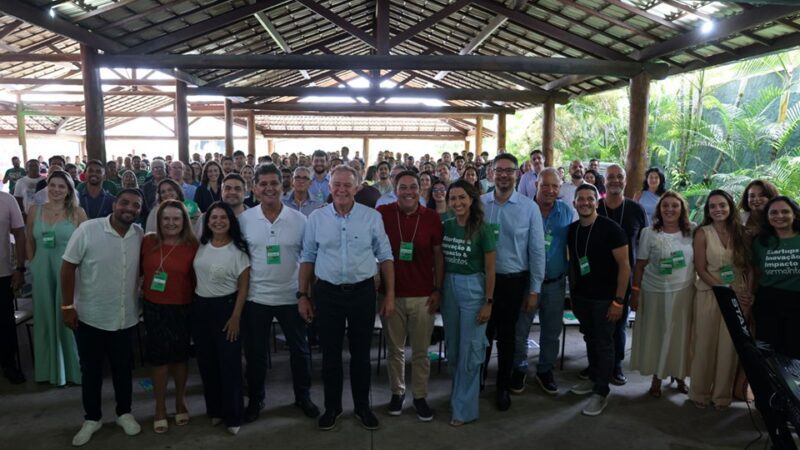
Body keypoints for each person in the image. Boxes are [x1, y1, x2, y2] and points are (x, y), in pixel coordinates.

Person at [298, 165, 394, 431]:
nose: (341, 189)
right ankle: (333, 407)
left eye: (347, 185)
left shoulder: (371, 217)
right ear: (329, 187)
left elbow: (385, 256)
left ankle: (362, 407)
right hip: (327, 294)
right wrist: (303, 295)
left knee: (361, 355)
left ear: (357, 187)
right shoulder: (317, 219)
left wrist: (390, 295)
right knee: (330, 355)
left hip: (362, 293)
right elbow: (307, 257)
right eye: (336, 184)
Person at [61, 189, 145, 446]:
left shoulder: (139, 234)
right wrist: (67, 306)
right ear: (114, 203)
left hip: (124, 316)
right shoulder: (88, 230)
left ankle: (124, 412)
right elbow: (68, 266)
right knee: (92, 371)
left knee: (122, 369)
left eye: (136, 205)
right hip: (90, 315)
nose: (129, 208)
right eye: (124, 203)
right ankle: (92, 418)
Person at [239, 164, 319, 423]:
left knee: (300, 350)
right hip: (256, 297)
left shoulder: (300, 220)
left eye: (274, 183)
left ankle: (302, 396)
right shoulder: (245, 220)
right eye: (263, 183)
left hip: (291, 295)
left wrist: (305, 294)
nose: (269, 188)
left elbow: (308, 259)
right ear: (255, 188)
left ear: (282, 186)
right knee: (255, 353)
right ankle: (256, 399)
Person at [377, 170, 443, 421]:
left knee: (420, 351)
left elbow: (438, 256)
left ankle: (420, 396)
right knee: (394, 350)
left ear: (421, 189)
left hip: (423, 295)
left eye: (413, 187)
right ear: (394, 190)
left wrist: (438, 289)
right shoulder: (382, 215)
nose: (408, 192)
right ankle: (397, 393)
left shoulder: (431, 218)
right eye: (403, 187)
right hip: (390, 296)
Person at [480, 154, 545, 411]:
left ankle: (502, 388)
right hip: (481, 282)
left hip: (512, 282)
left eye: (509, 171)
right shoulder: (480, 204)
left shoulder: (529, 208)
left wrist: (534, 289)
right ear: (491, 173)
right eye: (499, 170)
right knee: (481, 336)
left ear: (518, 173)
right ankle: (477, 382)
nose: (504, 175)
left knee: (507, 338)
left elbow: (537, 251)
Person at [567, 184, 630, 416]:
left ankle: (601, 392)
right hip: (583, 297)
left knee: (604, 343)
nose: (585, 202)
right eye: (580, 199)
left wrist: (619, 300)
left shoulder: (611, 229)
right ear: (574, 202)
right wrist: (573, 297)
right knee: (590, 339)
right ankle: (594, 378)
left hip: (606, 299)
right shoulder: (573, 230)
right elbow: (573, 265)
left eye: (590, 199)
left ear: (597, 201)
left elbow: (625, 266)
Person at [511, 168, 575, 396]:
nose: (550, 190)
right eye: (545, 185)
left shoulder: (566, 211)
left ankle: (544, 369)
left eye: (555, 186)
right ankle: (518, 367)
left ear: (560, 188)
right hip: (526, 283)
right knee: (521, 329)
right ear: (536, 185)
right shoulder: (522, 209)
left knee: (551, 330)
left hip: (555, 283)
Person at [441, 179, 496, 426]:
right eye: (453, 198)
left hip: (474, 289)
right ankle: (457, 395)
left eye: (462, 197)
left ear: (472, 199)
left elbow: (490, 267)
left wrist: (488, 301)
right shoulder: (446, 224)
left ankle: (464, 410)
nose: (457, 202)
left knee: (470, 351)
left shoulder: (483, 228)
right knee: (452, 348)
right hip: (449, 289)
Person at [192, 201, 250, 435]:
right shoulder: (202, 245)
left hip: (227, 308)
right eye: (213, 217)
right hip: (200, 308)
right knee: (207, 364)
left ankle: (234, 415)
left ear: (230, 221)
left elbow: (244, 288)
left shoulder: (238, 251)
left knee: (229, 366)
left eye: (222, 218)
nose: (217, 221)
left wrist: (236, 316)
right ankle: (215, 410)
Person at [689, 190, 750, 409]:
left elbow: (749, 267)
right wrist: (722, 287)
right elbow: (700, 268)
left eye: (722, 205)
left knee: (729, 346)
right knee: (704, 344)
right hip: (709, 293)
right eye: (713, 206)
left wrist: (747, 293)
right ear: (708, 210)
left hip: (738, 295)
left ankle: (722, 396)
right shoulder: (702, 233)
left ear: (730, 207)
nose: (718, 210)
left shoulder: (742, 233)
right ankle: (700, 393)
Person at [630, 191, 695, 398]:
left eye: (674, 206)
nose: (670, 209)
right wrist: (635, 292)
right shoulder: (649, 232)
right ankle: (657, 377)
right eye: (665, 206)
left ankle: (679, 375)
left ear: (682, 209)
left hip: (683, 290)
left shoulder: (692, 230)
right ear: (659, 209)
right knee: (658, 334)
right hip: (653, 291)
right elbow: (639, 266)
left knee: (680, 335)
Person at [140, 200, 198, 433]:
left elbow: (197, 279)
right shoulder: (148, 241)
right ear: (159, 220)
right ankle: (160, 407)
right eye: (166, 219)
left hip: (182, 307)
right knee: (159, 360)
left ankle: (180, 401)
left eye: (176, 219)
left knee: (180, 359)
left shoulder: (193, 245)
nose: (171, 223)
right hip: (154, 307)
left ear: (184, 221)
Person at [27, 171, 87, 385]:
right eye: (53, 185)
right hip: (42, 269)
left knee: (67, 318)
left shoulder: (77, 213)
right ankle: (48, 370)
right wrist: (32, 263)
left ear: (69, 190)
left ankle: (72, 370)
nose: (56, 190)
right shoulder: (35, 210)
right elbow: (29, 240)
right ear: (47, 187)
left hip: (68, 271)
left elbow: (86, 245)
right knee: (44, 318)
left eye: (62, 186)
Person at [596, 164, 646, 386]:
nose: (615, 180)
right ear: (604, 181)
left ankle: (616, 365)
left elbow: (644, 246)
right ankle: (595, 363)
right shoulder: (595, 206)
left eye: (619, 177)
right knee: (596, 325)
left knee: (619, 325)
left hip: (625, 279)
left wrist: (637, 286)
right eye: (610, 177)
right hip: (597, 278)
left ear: (625, 181)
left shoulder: (636, 209)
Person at [751, 196, 800, 359]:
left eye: (785, 211)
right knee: (768, 354)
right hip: (768, 303)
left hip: (797, 302)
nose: (779, 216)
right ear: (767, 217)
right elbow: (755, 271)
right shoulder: (760, 242)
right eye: (774, 212)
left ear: (794, 214)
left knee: (795, 354)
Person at [0, 189, 25, 384]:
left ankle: (9, 364)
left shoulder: (7, 200)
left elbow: (19, 234)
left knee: (6, 322)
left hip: (4, 272)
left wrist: (20, 268)